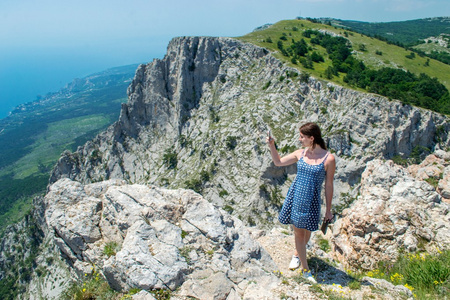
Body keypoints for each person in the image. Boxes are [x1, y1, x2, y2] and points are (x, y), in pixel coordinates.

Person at [266, 122, 335, 283]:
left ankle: (298, 253)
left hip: (312, 199)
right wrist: (272, 145)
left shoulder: (328, 159)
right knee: (299, 232)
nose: (299, 140)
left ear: (312, 138)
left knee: (308, 230)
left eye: (302, 137)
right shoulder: (301, 153)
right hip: (297, 196)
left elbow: (329, 185)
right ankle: (305, 269)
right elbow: (278, 162)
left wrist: (329, 210)